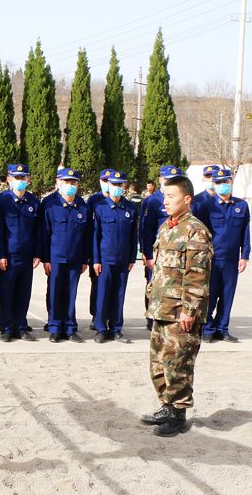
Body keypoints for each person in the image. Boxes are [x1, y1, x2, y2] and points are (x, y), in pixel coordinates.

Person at [140, 174, 212, 437]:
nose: (165, 201)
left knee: (178, 363)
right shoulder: (166, 227)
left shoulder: (196, 230)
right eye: (164, 196)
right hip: (162, 308)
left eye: (171, 196)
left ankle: (178, 414)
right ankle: (166, 406)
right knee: (159, 363)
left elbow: (197, 275)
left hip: (181, 312)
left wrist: (189, 310)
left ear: (187, 199)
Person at [41, 168, 92, 343]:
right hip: (55, 258)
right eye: (66, 182)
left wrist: (85, 259)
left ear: (78, 185)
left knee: (71, 294)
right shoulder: (50, 204)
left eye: (73, 182)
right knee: (55, 293)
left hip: (75, 258)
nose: (69, 185)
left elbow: (87, 236)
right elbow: (44, 234)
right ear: (59, 183)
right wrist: (46, 259)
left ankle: (70, 328)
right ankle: (55, 327)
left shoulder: (83, 207)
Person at [0, 164, 42, 342]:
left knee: (23, 293)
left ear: (28, 180)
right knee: (6, 293)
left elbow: (38, 231)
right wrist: (0, 255)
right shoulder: (1, 200)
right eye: (17, 178)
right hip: (8, 256)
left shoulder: (33, 202)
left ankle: (21, 326)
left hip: (27, 256)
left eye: (23, 178)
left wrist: (37, 253)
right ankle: (6, 327)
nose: (20, 181)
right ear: (9, 179)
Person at [200, 168, 250, 343]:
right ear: (214, 184)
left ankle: (223, 329)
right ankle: (207, 329)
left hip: (231, 259)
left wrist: (244, 256)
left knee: (227, 296)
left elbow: (245, 233)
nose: (222, 185)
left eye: (225, 182)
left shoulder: (241, 206)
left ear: (231, 182)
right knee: (210, 295)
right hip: (212, 259)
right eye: (218, 182)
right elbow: (201, 234)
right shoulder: (206, 206)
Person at [90, 170, 136, 343]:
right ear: (108, 185)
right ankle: (101, 329)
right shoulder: (100, 207)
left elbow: (133, 236)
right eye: (113, 184)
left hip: (123, 260)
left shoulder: (130, 208)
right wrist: (96, 260)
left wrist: (132, 258)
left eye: (119, 184)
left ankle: (116, 329)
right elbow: (95, 236)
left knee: (119, 295)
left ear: (124, 185)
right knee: (102, 295)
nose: (117, 187)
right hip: (105, 260)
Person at [140, 166, 182, 331]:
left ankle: (170, 317)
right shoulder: (152, 201)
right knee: (153, 286)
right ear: (161, 180)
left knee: (173, 286)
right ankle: (152, 319)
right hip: (157, 253)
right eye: (167, 179)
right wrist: (147, 254)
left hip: (176, 253)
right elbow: (145, 230)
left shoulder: (183, 199)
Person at [86, 169, 115, 321]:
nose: (107, 184)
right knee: (97, 285)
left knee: (112, 287)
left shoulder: (121, 201)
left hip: (112, 251)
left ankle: (109, 315)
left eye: (110, 181)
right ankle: (96, 315)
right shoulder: (93, 200)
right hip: (96, 250)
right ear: (100, 181)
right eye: (104, 181)